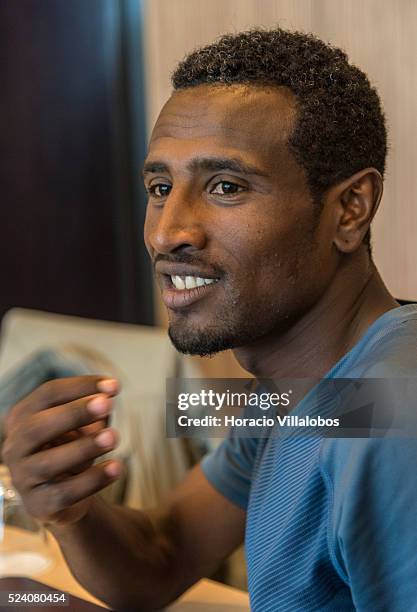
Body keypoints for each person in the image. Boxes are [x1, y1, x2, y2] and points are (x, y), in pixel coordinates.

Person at [3, 28, 417, 611]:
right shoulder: (311, 395)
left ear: (350, 210)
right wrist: (69, 508)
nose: (168, 232)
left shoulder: (395, 416)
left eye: (226, 186)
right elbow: (162, 554)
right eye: (160, 186)